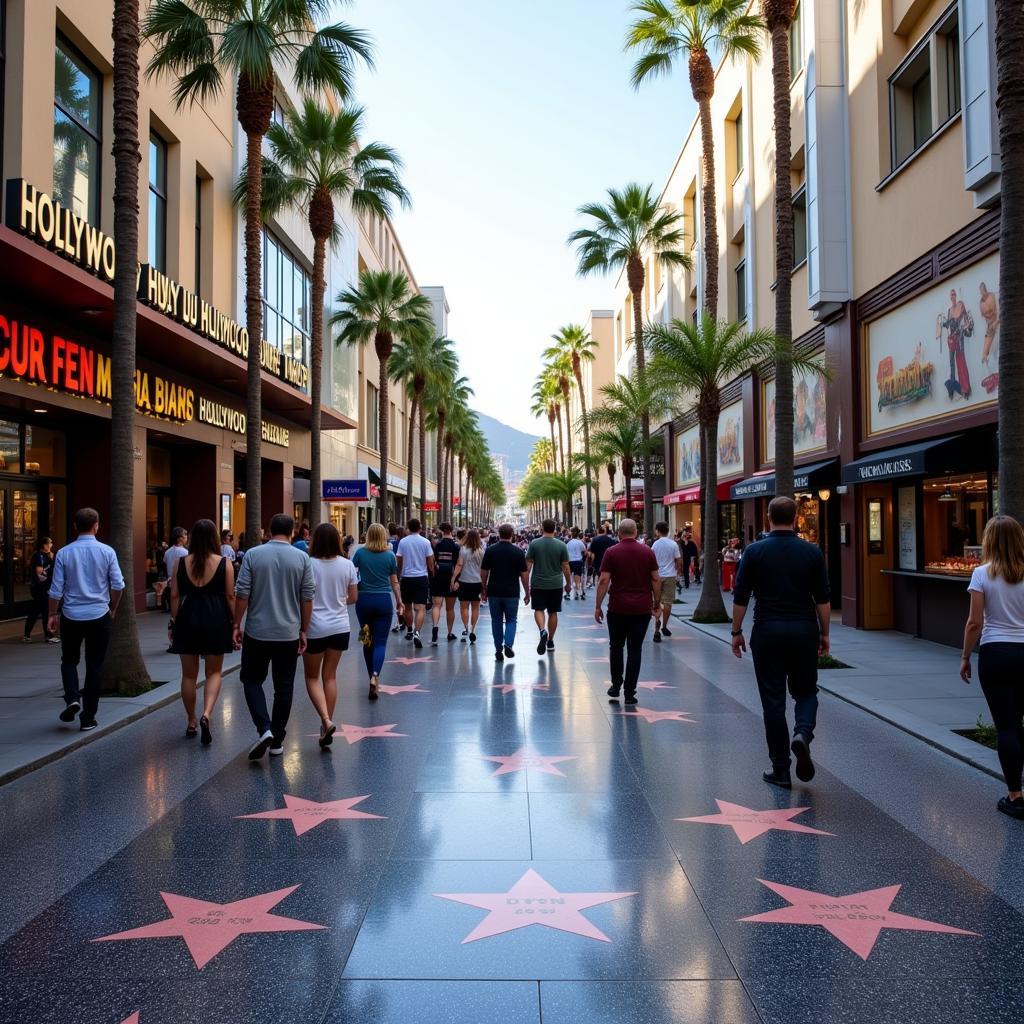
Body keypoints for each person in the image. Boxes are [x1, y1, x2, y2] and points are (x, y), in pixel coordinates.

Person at [730, 496, 831, 789]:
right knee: (806, 691)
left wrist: (736, 632)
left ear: (768, 517)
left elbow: (740, 597)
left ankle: (780, 769)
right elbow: (823, 600)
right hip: (803, 630)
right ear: (797, 517)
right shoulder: (812, 553)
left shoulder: (754, 551)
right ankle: (802, 733)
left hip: (767, 631)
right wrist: (825, 633)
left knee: (772, 701)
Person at [232, 513, 315, 761]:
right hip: (288, 633)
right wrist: (304, 630)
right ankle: (277, 738)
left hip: (257, 631)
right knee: (284, 686)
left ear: (268, 530)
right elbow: (307, 597)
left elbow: (242, 592)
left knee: (251, 680)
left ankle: (264, 728)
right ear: (292, 532)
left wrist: (236, 624)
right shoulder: (302, 558)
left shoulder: (253, 555)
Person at [960, 515, 1024, 819]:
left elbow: (975, 622)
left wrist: (965, 657)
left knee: (1007, 726)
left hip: (996, 652)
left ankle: (1015, 795)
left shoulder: (982, 574)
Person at [47, 508, 125, 730]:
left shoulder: (63, 553)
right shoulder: (107, 551)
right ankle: (88, 717)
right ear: (96, 525)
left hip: (71, 615)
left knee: (69, 660)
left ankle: (72, 697)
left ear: (75, 526)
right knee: (95, 664)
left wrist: (53, 614)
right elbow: (118, 585)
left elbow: (55, 590)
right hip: (99, 614)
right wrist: (113, 607)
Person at [168, 518, 234, 744]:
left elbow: (175, 596)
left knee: (188, 675)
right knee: (214, 672)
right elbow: (230, 596)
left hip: (188, 619)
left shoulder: (180, 562)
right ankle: (207, 713)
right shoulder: (224, 562)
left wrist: (174, 621)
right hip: (216, 619)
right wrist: (234, 623)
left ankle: (191, 720)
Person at [595, 519, 660, 705]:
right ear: (636, 532)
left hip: (618, 608)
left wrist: (598, 606)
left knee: (616, 647)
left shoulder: (611, 552)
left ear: (618, 533)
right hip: (641, 608)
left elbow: (603, 580)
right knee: (635, 649)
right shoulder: (647, 552)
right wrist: (657, 602)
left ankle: (616, 685)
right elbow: (656, 579)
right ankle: (630, 692)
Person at [304, 523, 358, 748]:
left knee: (311, 677)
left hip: (315, 627)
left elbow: (303, 596)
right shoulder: (347, 565)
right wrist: (337, 601)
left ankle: (326, 720)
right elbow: (353, 597)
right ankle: (326, 723)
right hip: (339, 627)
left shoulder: (308, 564)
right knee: (330, 677)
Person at [353, 523, 404, 700]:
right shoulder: (390, 556)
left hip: (363, 603)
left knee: (367, 641)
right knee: (381, 642)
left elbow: (353, 575)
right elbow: (394, 582)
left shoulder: (359, 553)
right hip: (383, 602)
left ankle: (371, 677)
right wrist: (399, 601)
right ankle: (375, 674)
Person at [480, 523, 530, 662]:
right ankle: (508, 644)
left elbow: (484, 572)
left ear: (499, 534)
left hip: (494, 591)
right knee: (511, 619)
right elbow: (524, 574)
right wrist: (527, 591)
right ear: (512, 534)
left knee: (496, 620)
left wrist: (483, 588)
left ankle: (498, 649)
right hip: (512, 592)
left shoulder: (490, 550)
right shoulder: (518, 552)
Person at [526, 518, 571, 655]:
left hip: (538, 583)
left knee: (538, 609)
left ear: (542, 529)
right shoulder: (561, 545)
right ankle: (550, 640)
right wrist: (568, 583)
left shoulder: (534, 544)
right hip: (555, 584)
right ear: (555, 529)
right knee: (553, 612)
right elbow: (565, 567)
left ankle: (542, 630)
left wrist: (526, 583)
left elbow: (528, 565)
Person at [396, 518, 435, 648]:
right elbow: (430, 561)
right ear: (420, 528)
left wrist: (399, 573)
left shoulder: (403, 542)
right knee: (420, 608)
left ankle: (409, 630)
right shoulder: (425, 542)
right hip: (421, 578)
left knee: (407, 607)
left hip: (406, 578)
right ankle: (417, 632)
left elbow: (399, 560)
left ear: (408, 527)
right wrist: (432, 572)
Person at [452, 528, 485, 643]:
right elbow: (483, 569)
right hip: (477, 582)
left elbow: (459, 565)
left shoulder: (463, 550)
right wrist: (485, 584)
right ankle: (473, 629)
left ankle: (466, 627)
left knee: (464, 607)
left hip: (464, 581)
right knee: (475, 607)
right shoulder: (481, 551)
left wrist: (453, 578)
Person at [650, 522, 682, 642]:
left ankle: (656, 629)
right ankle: (664, 626)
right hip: (670, 575)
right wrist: (678, 572)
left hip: (657, 576)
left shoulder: (655, 545)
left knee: (657, 602)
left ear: (658, 531)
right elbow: (679, 560)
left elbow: (651, 560)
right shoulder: (673, 544)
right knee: (668, 602)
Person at [430, 523, 460, 645]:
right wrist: (455, 580)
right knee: (450, 608)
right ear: (452, 532)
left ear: (442, 532)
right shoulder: (455, 546)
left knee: (437, 605)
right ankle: (449, 633)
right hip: (450, 578)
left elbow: (433, 561)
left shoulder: (437, 545)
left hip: (438, 577)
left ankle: (435, 627)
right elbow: (458, 564)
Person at [24, 536, 58, 643]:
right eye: (50, 543)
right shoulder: (38, 556)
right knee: (45, 612)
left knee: (35, 611)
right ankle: (49, 636)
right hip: (41, 589)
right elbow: (40, 574)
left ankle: (27, 635)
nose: (51, 545)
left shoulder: (47, 556)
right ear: (44, 545)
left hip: (44, 588)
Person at [162, 527, 187, 613]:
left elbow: (165, 562)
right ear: (180, 538)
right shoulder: (185, 552)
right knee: (181, 604)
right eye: (185, 535)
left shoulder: (167, 552)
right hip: (181, 580)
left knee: (173, 601)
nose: (186, 537)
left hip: (170, 580)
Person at [566, 527, 587, 599]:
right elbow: (584, 552)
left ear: (571, 534)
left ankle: (568, 594)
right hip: (578, 562)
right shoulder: (580, 542)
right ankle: (578, 593)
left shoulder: (568, 542)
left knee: (569, 579)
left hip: (570, 562)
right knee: (577, 578)